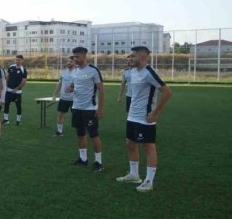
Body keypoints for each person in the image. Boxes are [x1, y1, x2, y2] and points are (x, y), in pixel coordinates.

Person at [116, 46, 173, 192]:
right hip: (132, 115)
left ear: (142, 57)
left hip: (145, 117)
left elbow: (167, 92)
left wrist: (155, 112)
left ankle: (149, 181)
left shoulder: (149, 72)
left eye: (133, 56)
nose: (130, 58)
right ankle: (134, 175)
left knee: (148, 146)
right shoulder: (133, 72)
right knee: (130, 143)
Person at [67, 47, 105, 172]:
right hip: (76, 107)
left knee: (94, 134)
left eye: (77, 57)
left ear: (84, 56)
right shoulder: (75, 71)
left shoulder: (93, 70)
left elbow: (101, 90)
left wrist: (100, 108)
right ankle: (83, 159)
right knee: (80, 134)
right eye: (74, 57)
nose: (75, 59)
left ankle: (98, 162)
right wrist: (71, 88)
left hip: (90, 108)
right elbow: (74, 84)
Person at [51, 56, 76, 137]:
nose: (68, 63)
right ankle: (59, 132)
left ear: (75, 62)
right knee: (60, 115)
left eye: (71, 61)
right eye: (68, 61)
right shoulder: (63, 72)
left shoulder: (78, 72)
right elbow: (59, 84)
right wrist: (54, 95)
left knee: (77, 116)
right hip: (63, 98)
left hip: (74, 99)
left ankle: (83, 131)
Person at [2, 55, 28, 125]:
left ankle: (18, 121)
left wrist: (16, 89)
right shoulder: (11, 67)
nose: (17, 61)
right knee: (7, 104)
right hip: (8, 90)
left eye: (19, 60)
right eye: (16, 60)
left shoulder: (23, 70)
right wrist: (5, 84)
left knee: (18, 105)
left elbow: (24, 81)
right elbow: (7, 76)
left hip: (17, 91)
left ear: (22, 61)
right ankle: (6, 120)